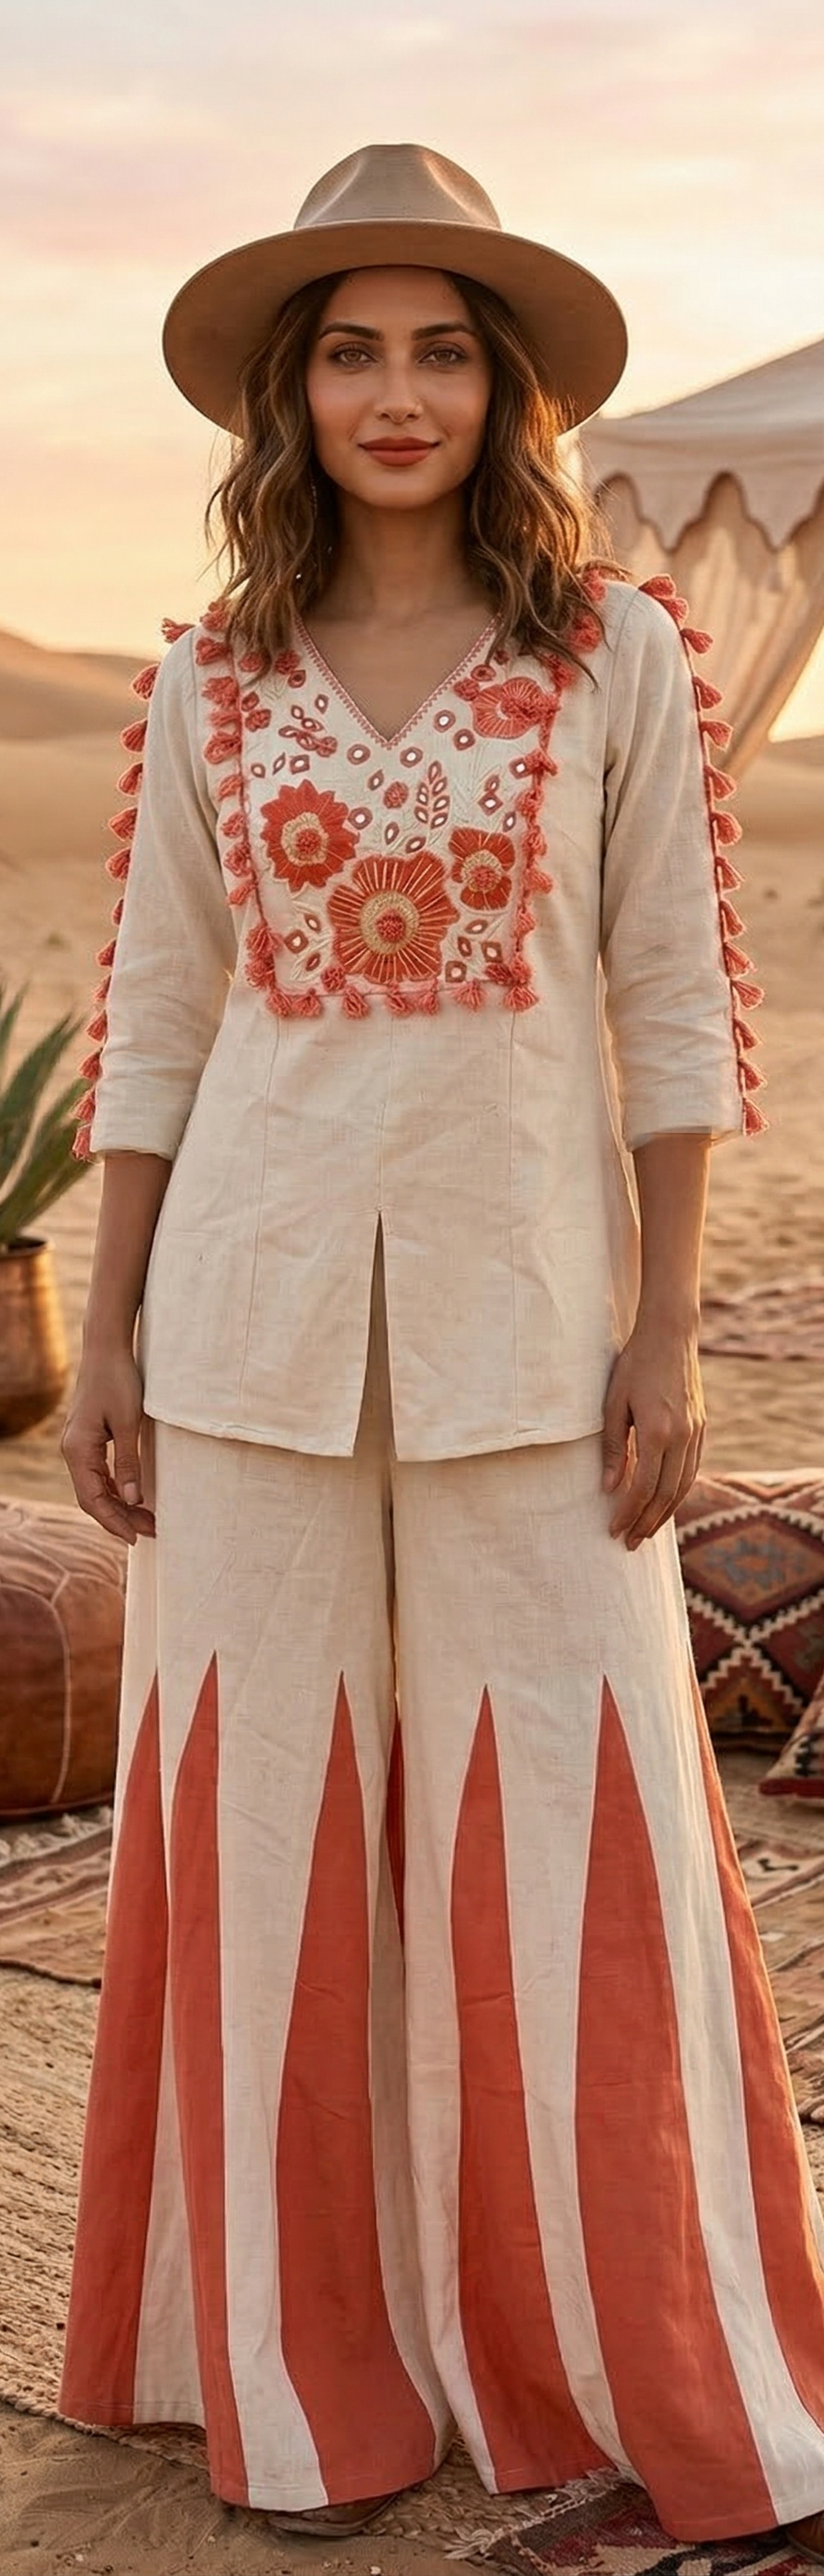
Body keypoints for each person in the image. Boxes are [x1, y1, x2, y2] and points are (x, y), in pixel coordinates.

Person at [57, 144, 824, 2557]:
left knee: (578, 1803)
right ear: (289, 395)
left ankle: (616, 2353)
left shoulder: (614, 658)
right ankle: (296, 2384)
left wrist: (666, 1332)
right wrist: (106, 1330)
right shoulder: (211, 679)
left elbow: (677, 1010)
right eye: (352, 351)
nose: (398, 391)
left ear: (508, 393)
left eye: (443, 349)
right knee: (263, 1830)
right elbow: (158, 1025)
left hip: (534, 1333)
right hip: (243, 1336)